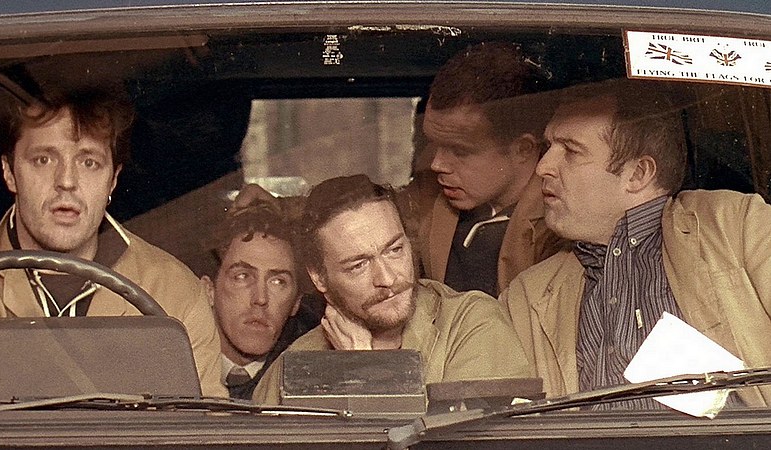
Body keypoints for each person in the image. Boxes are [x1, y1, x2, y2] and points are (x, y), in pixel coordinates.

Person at [0, 89, 225, 397]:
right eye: (43, 160)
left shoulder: (174, 295)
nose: (67, 181)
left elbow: (201, 420)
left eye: (89, 162)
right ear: (9, 172)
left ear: (113, 179)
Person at [502, 80, 771, 408]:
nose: (543, 167)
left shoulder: (735, 228)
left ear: (638, 174)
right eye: (548, 147)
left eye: (570, 151)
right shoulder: (526, 297)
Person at [253, 174, 531, 404]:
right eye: (358, 265)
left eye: (394, 250)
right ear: (319, 278)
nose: (386, 278)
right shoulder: (291, 367)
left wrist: (365, 368)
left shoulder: (470, 323)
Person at [415, 42, 564, 297]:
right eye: (434, 144)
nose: (436, 164)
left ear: (523, 149)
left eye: (460, 151)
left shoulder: (558, 231)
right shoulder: (424, 199)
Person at [201, 198, 317, 399]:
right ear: (209, 290)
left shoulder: (312, 371)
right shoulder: (174, 364)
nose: (261, 298)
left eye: (278, 282)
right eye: (242, 276)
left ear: (296, 303)